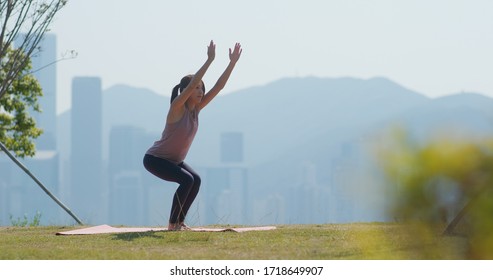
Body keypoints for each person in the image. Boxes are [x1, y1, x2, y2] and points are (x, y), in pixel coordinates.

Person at [143, 40, 242, 231]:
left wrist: (232, 63)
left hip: (174, 161)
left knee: (195, 180)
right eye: (196, 88)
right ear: (186, 92)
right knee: (187, 180)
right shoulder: (177, 108)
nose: (200, 91)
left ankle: (179, 222)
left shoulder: (196, 110)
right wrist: (210, 60)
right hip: (155, 159)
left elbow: (218, 87)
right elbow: (190, 87)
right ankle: (173, 225)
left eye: (201, 88)